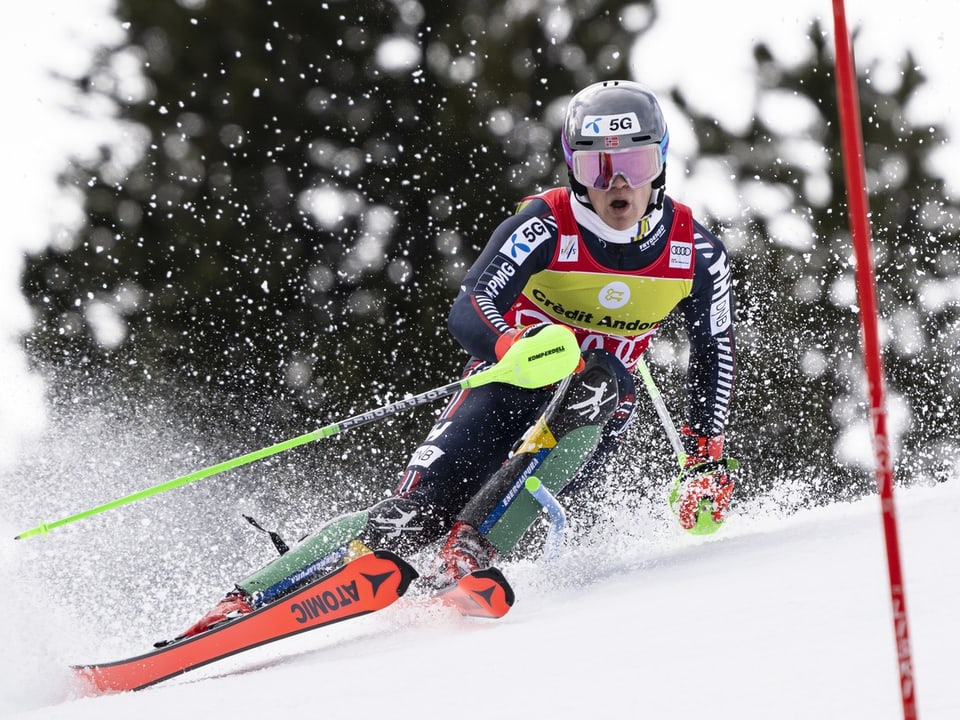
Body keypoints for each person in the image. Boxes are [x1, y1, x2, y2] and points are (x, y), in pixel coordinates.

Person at [174, 79, 736, 640]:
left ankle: (471, 549)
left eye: (634, 164)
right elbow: (471, 307)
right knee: (410, 516)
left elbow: (714, 349)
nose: (617, 184)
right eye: (597, 168)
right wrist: (514, 348)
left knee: (603, 379)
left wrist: (706, 457)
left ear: (660, 163)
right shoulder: (546, 224)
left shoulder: (697, 252)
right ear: (573, 168)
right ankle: (244, 601)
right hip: (509, 387)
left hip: (587, 417)